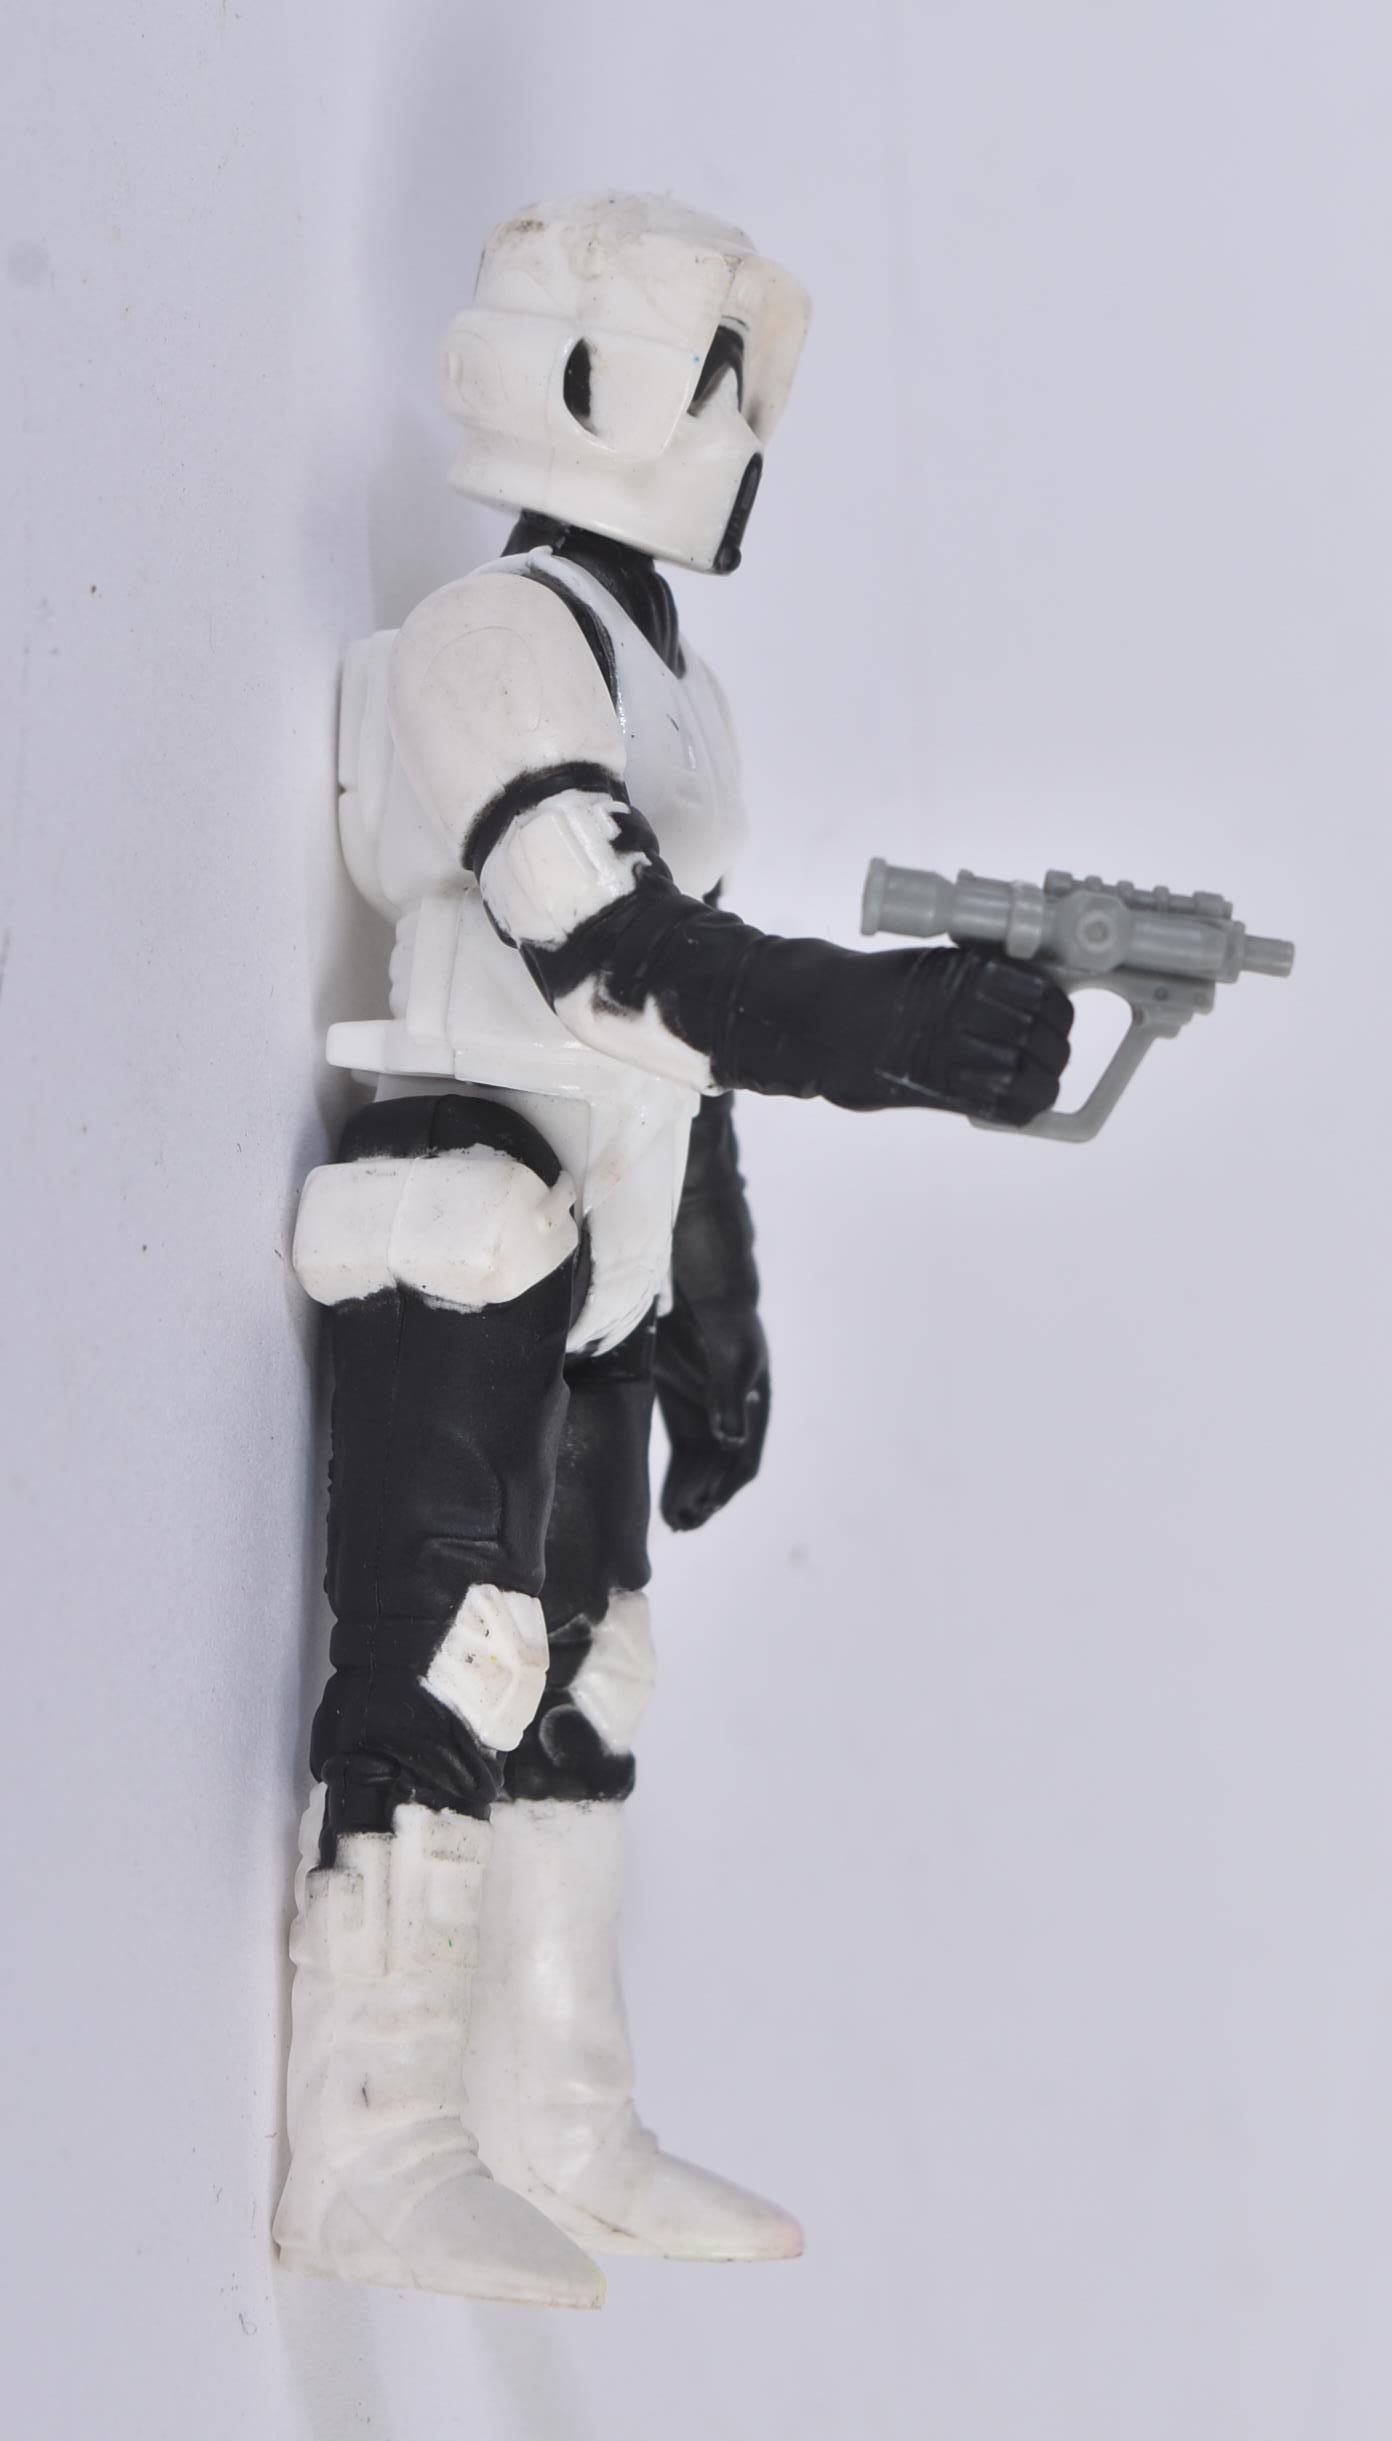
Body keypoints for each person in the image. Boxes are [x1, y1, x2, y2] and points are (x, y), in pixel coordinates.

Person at [273, 191, 1073, 2307]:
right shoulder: (496, 637)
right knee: (447, 1651)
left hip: (609, 1227)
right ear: (612, 388)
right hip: (477, 1192)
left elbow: (677, 1050)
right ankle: (373, 2136)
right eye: (723, 392)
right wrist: (883, 1029)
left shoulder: (674, 682)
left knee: (586, 1675)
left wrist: (718, 1305)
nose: (745, 441)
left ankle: (554, 2111)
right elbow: (608, 950)